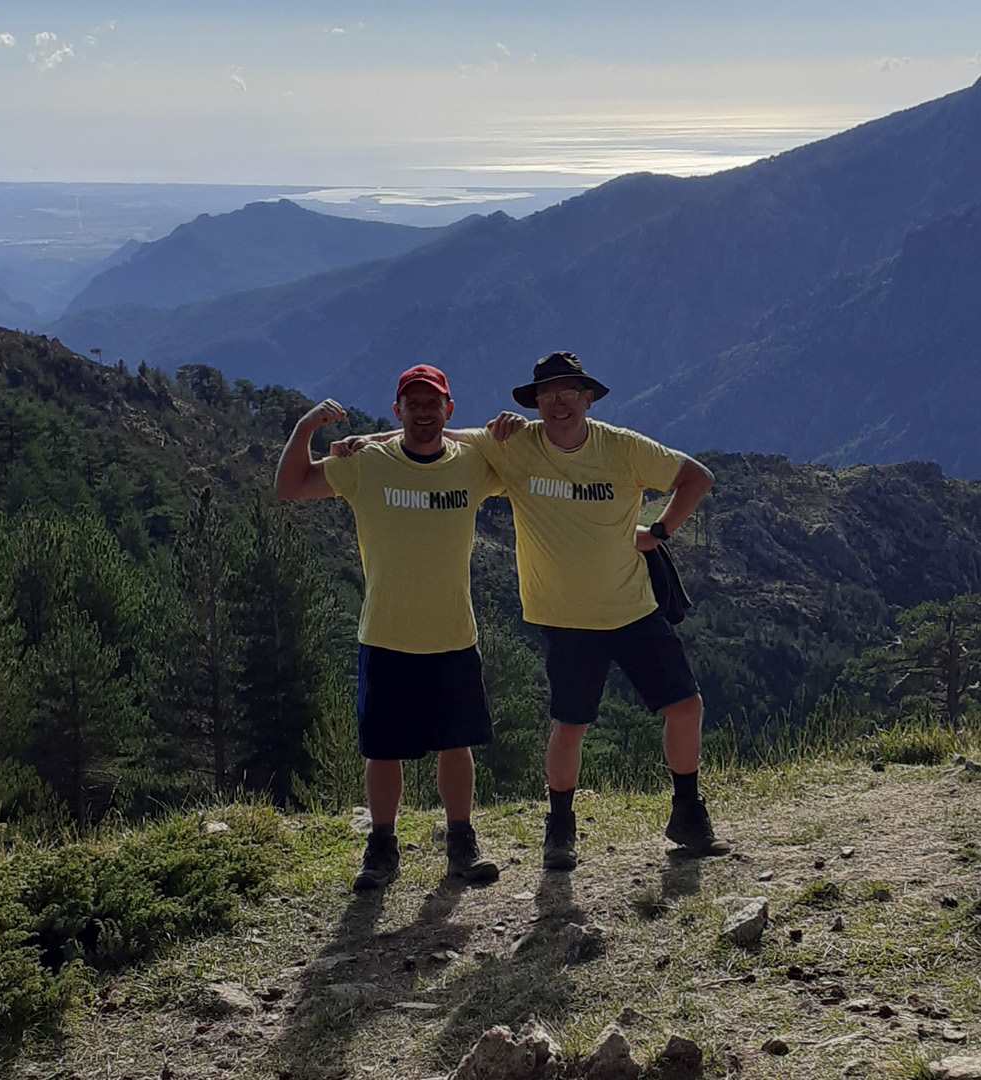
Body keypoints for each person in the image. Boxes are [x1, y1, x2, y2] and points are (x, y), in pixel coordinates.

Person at [336, 351, 726, 871]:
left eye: (569, 393)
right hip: (565, 617)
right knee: (570, 725)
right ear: (536, 401)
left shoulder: (624, 448)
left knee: (684, 706)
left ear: (588, 398)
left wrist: (657, 532)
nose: (560, 403)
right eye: (549, 394)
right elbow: (432, 435)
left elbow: (695, 477)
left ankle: (687, 812)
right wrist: (366, 443)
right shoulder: (514, 444)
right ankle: (559, 831)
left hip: (633, 606)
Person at [274, 363, 504, 892]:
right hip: (385, 634)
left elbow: (522, 456)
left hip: (452, 633)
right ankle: (381, 847)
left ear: (450, 409)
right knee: (382, 750)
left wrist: (508, 426)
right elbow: (290, 487)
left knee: (457, 744)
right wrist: (307, 426)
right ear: (397, 409)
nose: (424, 412)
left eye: (433, 404)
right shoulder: (367, 464)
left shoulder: (470, 461)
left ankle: (461, 841)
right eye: (413, 404)